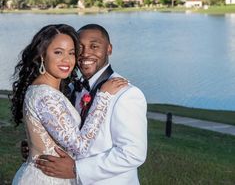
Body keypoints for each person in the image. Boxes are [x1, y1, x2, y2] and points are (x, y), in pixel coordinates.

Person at [11, 24, 127, 185]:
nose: (67, 60)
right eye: (58, 52)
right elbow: (79, 146)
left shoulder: (52, 90)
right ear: (42, 55)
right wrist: (103, 97)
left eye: (72, 53)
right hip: (46, 178)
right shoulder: (46, 95)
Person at [35, 24, 148, 185]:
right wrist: (39, 145)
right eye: (79, 48)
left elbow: (132, 153)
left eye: (94, 46)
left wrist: (77, 169)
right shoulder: (72, 88)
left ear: (109, 49)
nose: (86, 53)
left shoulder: (126, 94)